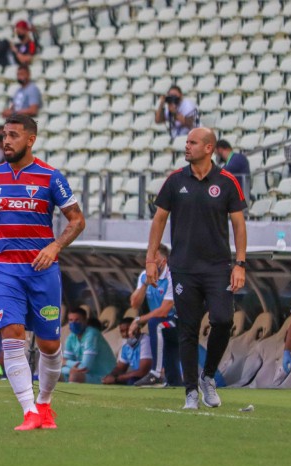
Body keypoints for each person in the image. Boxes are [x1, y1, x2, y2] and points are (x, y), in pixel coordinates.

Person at [0, 113, 86, 431]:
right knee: (12, 336)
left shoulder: (51, 177)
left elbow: (77, 220)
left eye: (13, 136)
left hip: (41, 270)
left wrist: (54, 247)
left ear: (30, 139)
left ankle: (45, 405)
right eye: (3, 136)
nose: (6, 141)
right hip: (4, 267)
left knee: (49, 344)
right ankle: (29, 411)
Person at [146, 127, 247, 410]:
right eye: (186, 141)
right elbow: (159, 220)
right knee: (187, 329)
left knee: (223, 320)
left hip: (218, 268)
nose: (186, 146)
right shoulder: (175, 180)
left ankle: (208, 376)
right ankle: (190, 390)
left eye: (192, 142)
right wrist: (151, 259)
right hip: (184, 268)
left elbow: (239, 224)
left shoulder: (227, 182)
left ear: (209, 148)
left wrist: (240, 264)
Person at [129, 244, 180, 387]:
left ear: (163, 260)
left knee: (155, 324)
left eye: (154, 257)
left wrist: (139, 320)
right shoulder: (144, 276)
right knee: (171, 365)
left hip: (178, 321)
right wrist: (145, 284)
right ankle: (174, 383)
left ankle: (156, 374)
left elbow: (165, 310)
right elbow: (134, 303)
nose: (149, 260)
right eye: (148, 257)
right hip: (164, 324)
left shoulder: (172, 276)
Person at [62, 307, 116, 384]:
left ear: (85, 321)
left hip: (104, 377)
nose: (73, 323)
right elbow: (60, 366)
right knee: (52, 373)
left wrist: (66, 362)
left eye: (77, 320)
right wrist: (69, 368)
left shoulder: (92, 334)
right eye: (71, 320)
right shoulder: (71, 337)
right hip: (87, 375)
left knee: (75, 376)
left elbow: (84, 368)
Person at [102, 317, 153, 385]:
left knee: (129, 381)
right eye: (122, 331)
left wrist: (116, 379)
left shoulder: (145, 341)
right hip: (139, 378)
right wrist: (111, 376)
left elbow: (143, 372)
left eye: (128, 330)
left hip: (153, 378)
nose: (125, 334)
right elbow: (120, 368)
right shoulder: (126, 346)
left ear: (137, 328)